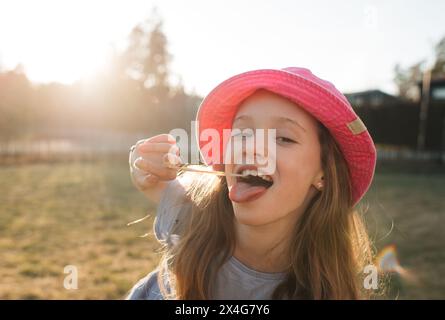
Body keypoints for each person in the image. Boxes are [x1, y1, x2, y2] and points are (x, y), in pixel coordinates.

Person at [126, 67, 377, 299]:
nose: (251, 146)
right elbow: (151, 177)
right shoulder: (196, 209)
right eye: (242, 133)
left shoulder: (324, 287)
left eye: (283, 138)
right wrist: (143, 158)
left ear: (323, 174)